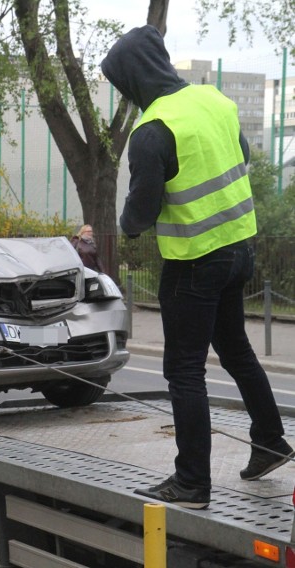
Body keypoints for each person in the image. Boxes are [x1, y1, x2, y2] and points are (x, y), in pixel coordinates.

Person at [101, 25, 293, 509]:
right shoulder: (215, 101)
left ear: (132, 80)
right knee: (236, 350)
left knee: (184, 371)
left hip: (194, 261)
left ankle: (191, 484)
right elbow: (241, 157)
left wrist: (125, 223)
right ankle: (270, 442)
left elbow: (138, 219)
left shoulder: (153, 131)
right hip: (239, 249)